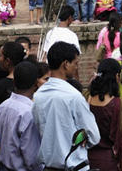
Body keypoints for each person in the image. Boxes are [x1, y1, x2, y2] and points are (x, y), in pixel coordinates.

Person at [33, 42, 100, 171]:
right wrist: (82, 139)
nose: (76, 67)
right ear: (65, 64)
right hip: (74, 166)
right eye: (75, 63)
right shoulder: (73, 96)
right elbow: (94, 136)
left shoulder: (38, 96)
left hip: (49, 166)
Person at [0, 61, 41, 171]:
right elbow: (32, 157)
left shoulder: (2, 106)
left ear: (14, 81)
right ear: (36, 84)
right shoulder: (29, 112)